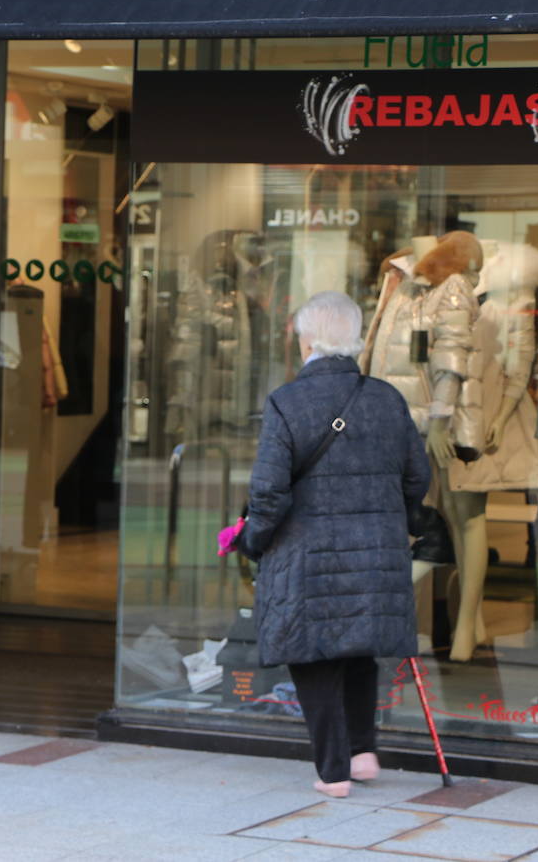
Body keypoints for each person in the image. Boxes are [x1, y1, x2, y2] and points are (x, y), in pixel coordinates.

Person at [226, 291, 429, 798]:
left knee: (313, 655)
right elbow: (417, 478)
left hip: (307, 556)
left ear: (309, 341)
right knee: (359, 648)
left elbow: (268, 492)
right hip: (376, 552)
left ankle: (333, 771)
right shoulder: (386, 398)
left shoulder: (287, 402)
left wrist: (250, 540)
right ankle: (362, 753)